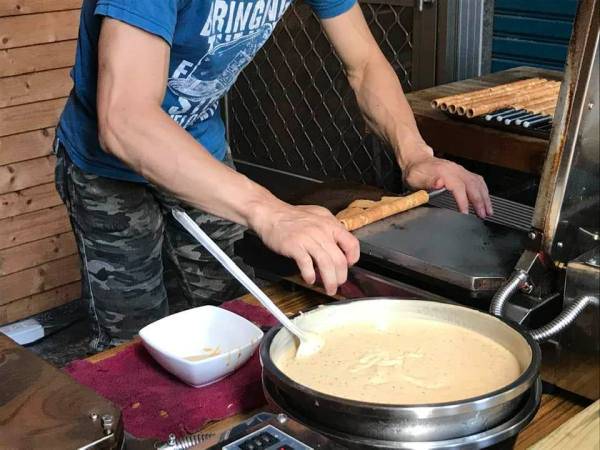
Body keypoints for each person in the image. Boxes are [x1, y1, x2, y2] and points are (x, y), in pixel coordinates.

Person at [55, 0, 493, 350]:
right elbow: (126, 120)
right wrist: (270, 211)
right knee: (133, 338)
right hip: (107, 174)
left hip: (201, 149)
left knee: (233, 314)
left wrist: (414, 155)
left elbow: (365, 64)